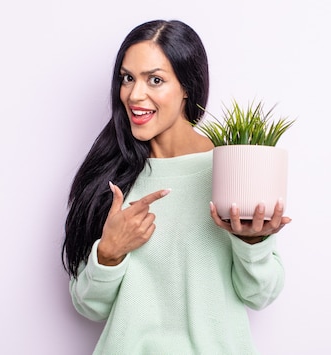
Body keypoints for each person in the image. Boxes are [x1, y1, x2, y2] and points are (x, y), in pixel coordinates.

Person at [62, 19, 291, 354]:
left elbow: (260, 295)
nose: (134, 95)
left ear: (187, 86)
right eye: (127, 78)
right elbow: (89, 306)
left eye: (155, 80)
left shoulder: (232, 168)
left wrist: (252, 244)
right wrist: (109, 253)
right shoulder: (112, 175)